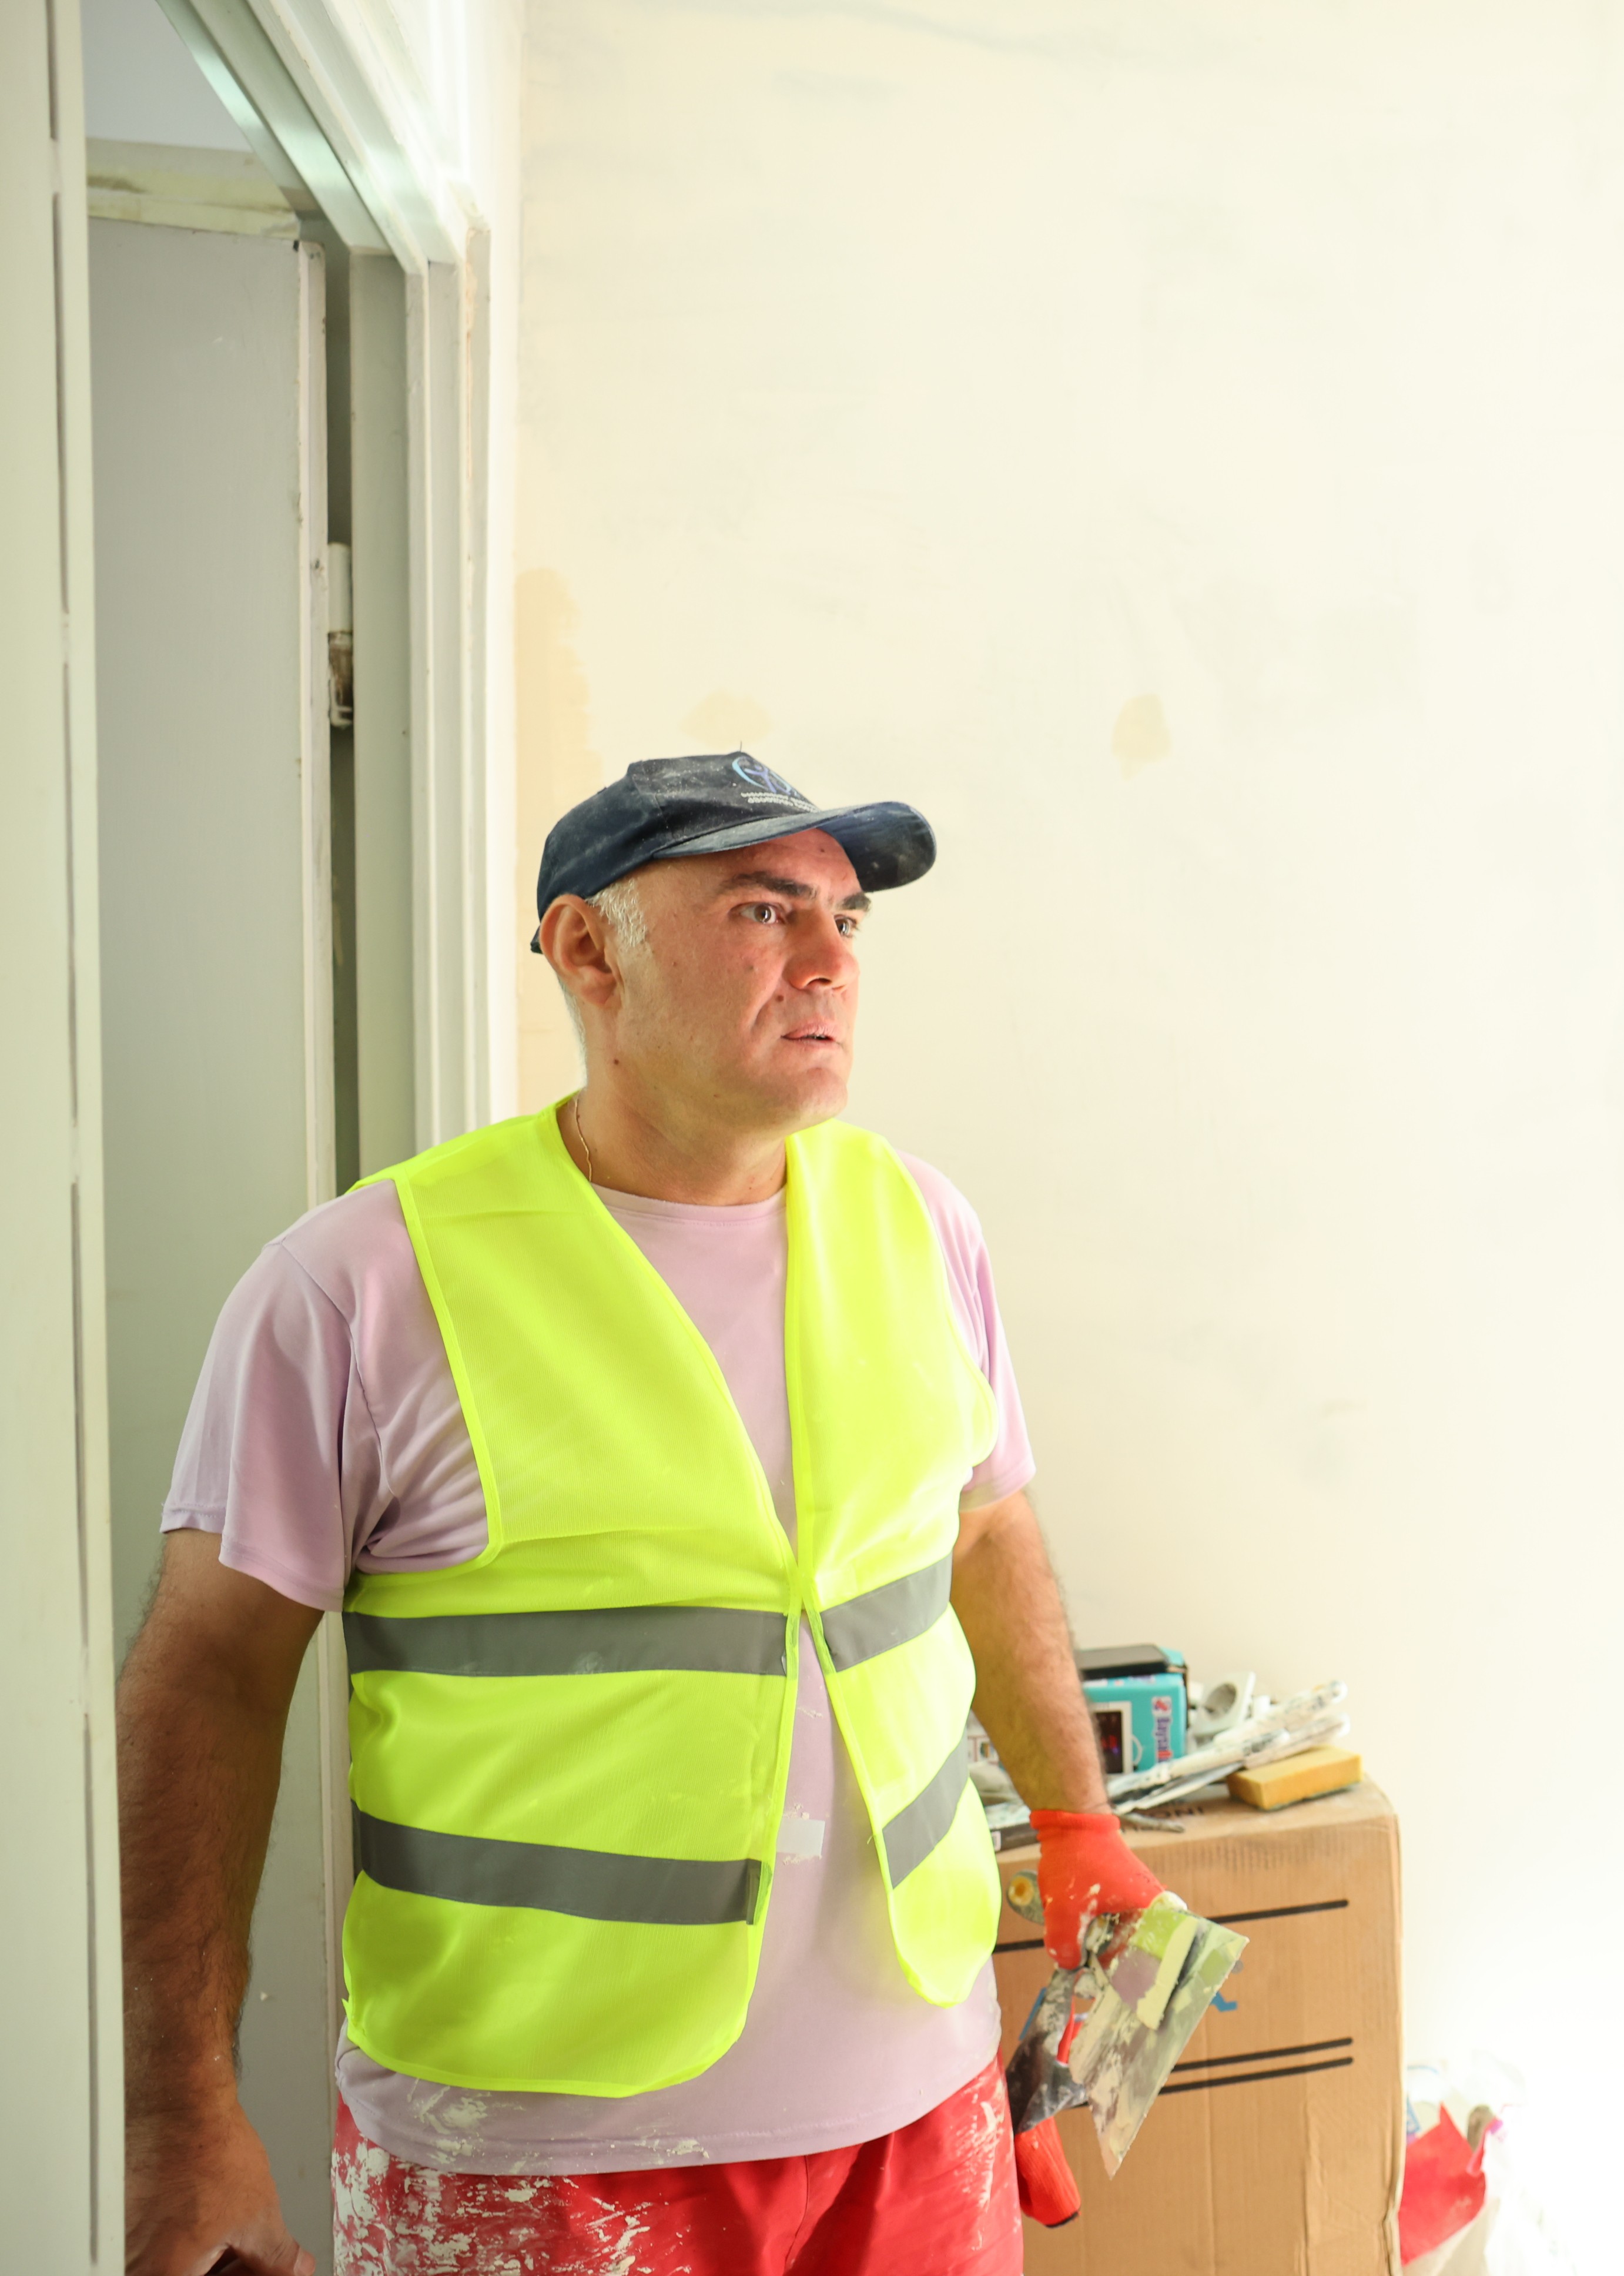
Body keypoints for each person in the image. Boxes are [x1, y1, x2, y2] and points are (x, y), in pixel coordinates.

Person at [119, 753, 1160, 2276]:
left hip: (920, 2113)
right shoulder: (360, 1287)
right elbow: (207, 1673)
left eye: (848, 919)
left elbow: (986, 1533)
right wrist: (179, 2109)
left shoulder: (923, 1225)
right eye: (763, 910)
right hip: (539, 2157)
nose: (828, 960)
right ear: (587, 950)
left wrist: (1078, 1823)